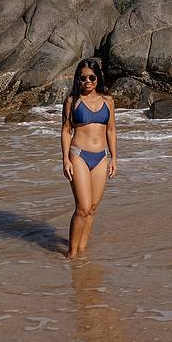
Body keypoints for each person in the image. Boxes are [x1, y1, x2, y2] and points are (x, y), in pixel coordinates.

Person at [60, 58, 117, 259]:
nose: (88, 81)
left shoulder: (108, 100)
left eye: (92, 77)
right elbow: (66, 131)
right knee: (82, 208)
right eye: (83, 78)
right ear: (78, 80)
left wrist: (114, 158)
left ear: (97, 77)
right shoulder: (72, 101)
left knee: (92, 208)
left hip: (101, 157)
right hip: (79, 156)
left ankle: (81, 251)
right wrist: (65, 159)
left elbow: (111, 130)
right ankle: (71, 254)